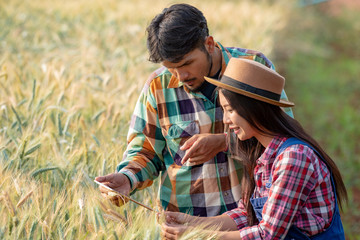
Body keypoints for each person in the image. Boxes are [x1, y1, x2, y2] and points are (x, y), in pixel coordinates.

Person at [95, 3, 293, 217]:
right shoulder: (157, 87)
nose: (180, 76)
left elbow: (284, 136)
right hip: (187, 225)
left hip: (254, 222)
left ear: (209, 44)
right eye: (171, 67)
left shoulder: (254, 67)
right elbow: (146, 151)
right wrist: (127, 178)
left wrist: (224, 142)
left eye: (187, 63)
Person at [161, 58, 347, 239]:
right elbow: (246, 215)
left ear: (253, 108)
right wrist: (190, 222)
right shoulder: (262, 153)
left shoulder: (294, 157)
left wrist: (199, 236)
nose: (225, 120)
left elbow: (268, 235)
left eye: (230, 110)